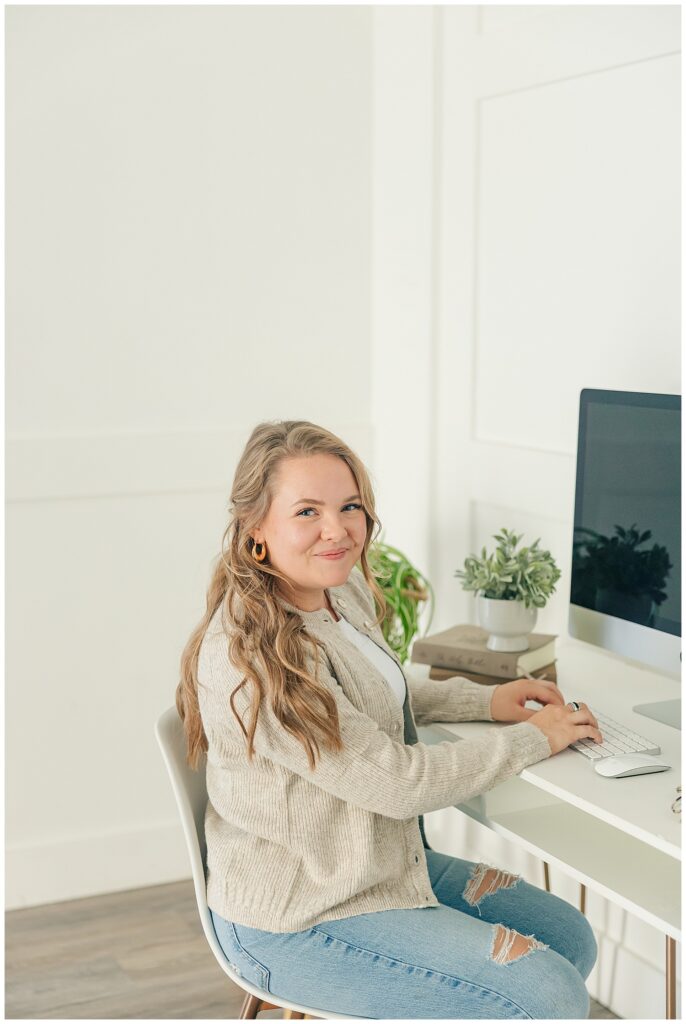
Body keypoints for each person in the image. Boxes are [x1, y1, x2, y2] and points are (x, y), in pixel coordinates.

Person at [176, 419, 601, 1020]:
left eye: (349, 506)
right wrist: (535, 739)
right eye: (307, 512)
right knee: (548, 994)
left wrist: (483, 701)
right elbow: (397, 783)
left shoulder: (334, 593)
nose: (337, 529)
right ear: (256, 528)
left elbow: (372, 694)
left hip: (381, 863)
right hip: (302, 913)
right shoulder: (256, 658)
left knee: (570, 939)